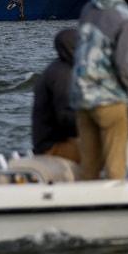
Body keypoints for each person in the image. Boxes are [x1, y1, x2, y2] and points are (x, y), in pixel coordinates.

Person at [71, 0, 128, 180]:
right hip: (108, 99)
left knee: (88, 168)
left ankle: (86, 208)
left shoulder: (87, 9)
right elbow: (124, 64)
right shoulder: (126, 18)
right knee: (116, 167)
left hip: (80, 98)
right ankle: (118, 210)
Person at [31, 28, 81, 162]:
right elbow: (65, 117)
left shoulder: (60, 69)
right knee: (101, 149)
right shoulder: (63, 75)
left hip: (53, 141)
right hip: (53, 147)